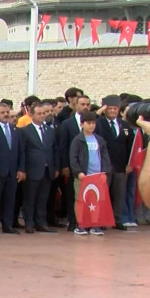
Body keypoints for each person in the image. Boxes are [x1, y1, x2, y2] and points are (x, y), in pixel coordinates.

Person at [0, 102, 26, 235]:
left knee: (10, 199)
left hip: (13, 171)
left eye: (7, 112)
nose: (6, 115)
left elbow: (21, 152)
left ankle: (7, 224)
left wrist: (21, 169)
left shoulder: (16, 131)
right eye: (2, 112)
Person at [70, 111, 112, 236]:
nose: (91, 126)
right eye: (88, 123)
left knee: (96, 200)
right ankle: (81, 224)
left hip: (97, 176)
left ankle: (95, 224)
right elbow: (73, 158)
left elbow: (105, 157)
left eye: (93, 123)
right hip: (83, 176)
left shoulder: (99, 140)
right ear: (82, 124)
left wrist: (105, 171)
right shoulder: (78, 140)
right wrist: (78, 172)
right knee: (81, 200)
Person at [95, 95, 133, 231]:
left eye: (115, 108)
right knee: (103, 194)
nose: (112, 111)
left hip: (120, 165)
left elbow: (130, 146)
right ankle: (101, 220)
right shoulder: (98, 123)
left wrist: (130, 163)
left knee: (119, 194)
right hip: (104, 164)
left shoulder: (125, 125)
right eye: (109, 108)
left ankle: (117, 219)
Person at [20, 100, 58, 233]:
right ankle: (29, 223)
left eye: (44, 113)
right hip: (32, 169)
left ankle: (41, 222)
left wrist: (55, 167)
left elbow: (54, 150)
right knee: (30, 198)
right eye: (39, 113)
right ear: (32, 114)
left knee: (43, 198)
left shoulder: (50, 130)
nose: (42, 116)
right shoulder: (25, 131)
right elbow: (22, 152)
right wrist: (22, 169)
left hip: (47, 170)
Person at [57, 94, 90, 231]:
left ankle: (88, 221)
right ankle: (73, 220)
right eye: (82, 104)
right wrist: (64, 165)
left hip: (89, 167)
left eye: (87, 104)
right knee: (72, 195)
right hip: (72, 167)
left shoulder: (94, 123)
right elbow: (63, 146)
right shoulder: (67, 124)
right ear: (76, 105)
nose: (85, 107)